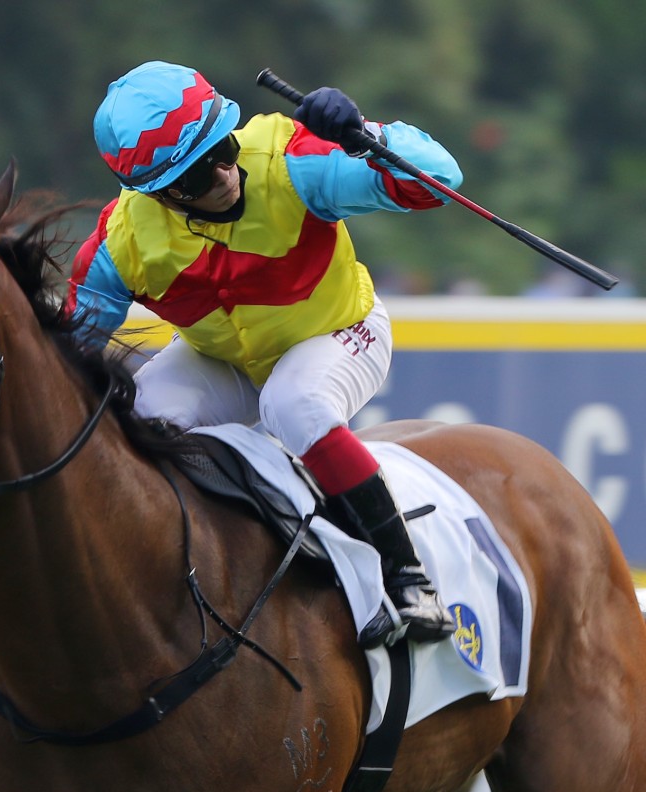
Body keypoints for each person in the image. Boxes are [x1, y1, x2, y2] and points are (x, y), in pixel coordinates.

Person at [67, 61, 463, 649]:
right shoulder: (119, 243)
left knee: (294, 402)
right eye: (200, 173)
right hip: (221, 359)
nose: (226, 173)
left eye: (224, 148)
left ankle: (408, 577)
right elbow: (65, 351)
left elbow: (440, 181)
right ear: (158, 194)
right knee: (142, 420)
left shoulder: (293, 161)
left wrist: (368, 138)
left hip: (337, 332)